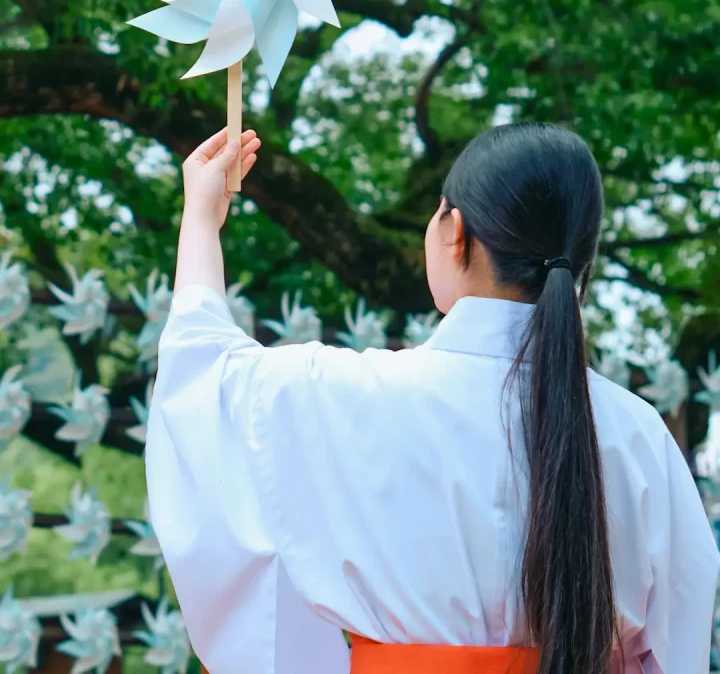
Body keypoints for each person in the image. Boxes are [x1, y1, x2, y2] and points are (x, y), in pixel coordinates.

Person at [146, 122, 720, 674]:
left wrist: (201, 217)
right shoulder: (639, 434)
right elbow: (680, 634)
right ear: (583, 260)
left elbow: (205, 376)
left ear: (456, 230)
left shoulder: (348, 394)